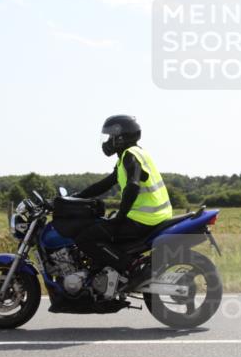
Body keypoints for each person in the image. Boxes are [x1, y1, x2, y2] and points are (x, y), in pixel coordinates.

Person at [74, 115, 172, 286]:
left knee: (85, 238)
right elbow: (104, 184)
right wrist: (75, 197)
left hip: (144, 218)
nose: (107, 141)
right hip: (156, 214)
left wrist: (121, 215)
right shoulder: (132, 155)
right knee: (103, 228)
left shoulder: (130, 155)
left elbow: (133, 186)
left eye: (110, 136)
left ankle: (131, 267)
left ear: (121, 137)